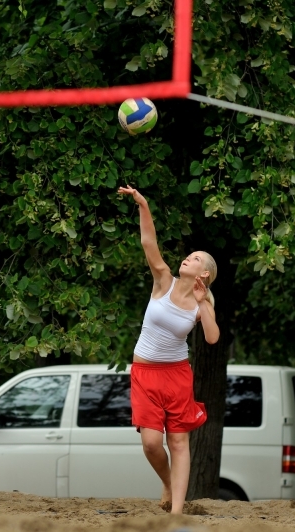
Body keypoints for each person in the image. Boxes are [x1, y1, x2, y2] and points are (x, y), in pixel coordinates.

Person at [118, 185, 220, 515]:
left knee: (178, 441)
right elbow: (149, 243)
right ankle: (166, 480)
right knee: (151, 444)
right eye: (188, 256)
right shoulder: (164, 280)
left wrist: (204, 304)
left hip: (176, 376)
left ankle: (176, 514)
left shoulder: (203, 304)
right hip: (145, 373)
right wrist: (143, 205)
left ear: (204, 273)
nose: (187, 258)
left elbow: (212, 338)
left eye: (195, 258)